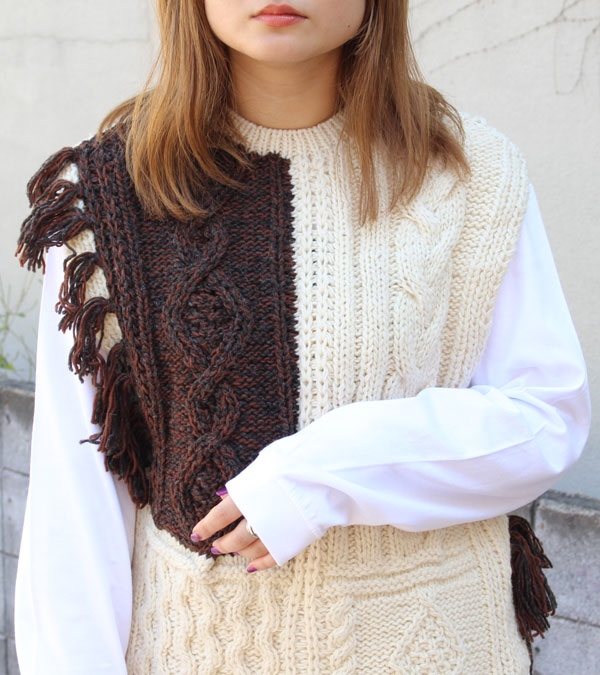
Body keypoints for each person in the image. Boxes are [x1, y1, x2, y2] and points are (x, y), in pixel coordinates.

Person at [14, 1, 590, 673]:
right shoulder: (110, 195)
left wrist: (325, 471)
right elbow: (74, 521)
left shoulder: (470, 171)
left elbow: (546, 417)